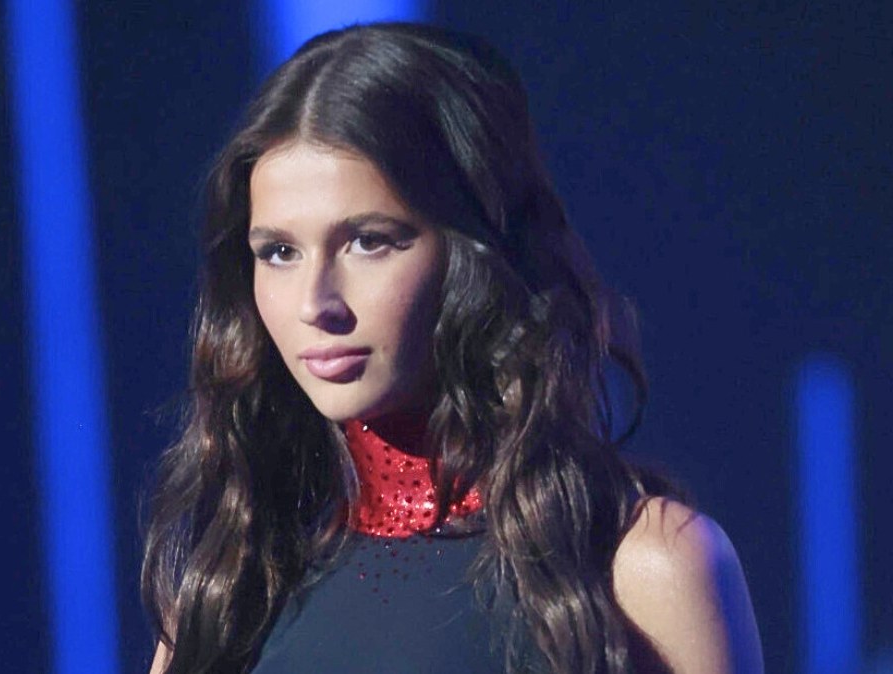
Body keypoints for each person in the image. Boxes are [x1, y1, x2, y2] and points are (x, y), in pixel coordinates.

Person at [141, 22, 762, 674]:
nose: (314, 303)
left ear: (476, 251)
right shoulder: (228, 591)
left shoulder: (644, 567)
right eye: (278, 252)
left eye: (369, 241)